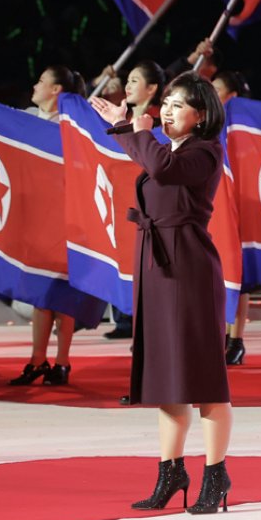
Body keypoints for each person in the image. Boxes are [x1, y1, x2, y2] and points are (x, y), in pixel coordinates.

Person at [89, 73, 233, 514]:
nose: (166, 111)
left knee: (204, 379)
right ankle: (171, 472)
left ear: (200, 115)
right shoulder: (169, 149)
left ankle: (216, 475)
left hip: (189, 267)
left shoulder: (205, 152)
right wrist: (123, 126)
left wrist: (138, 130)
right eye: (165, 103)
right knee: (168, 377)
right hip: (158, 265)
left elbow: (161, 169)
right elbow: (152, 159)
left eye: (177, 105)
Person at [9, 66, 92, 386]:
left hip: (65, 221)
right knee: (39, 293)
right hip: (33, 220)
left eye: (42, 81)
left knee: (60, 296)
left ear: (56, 89)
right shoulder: (26, 118)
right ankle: (37, 360)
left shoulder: (74, 127)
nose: (35, 85)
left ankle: (62, 362)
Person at [104, 61, 167, 342]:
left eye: (134, 81)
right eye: (127, 80)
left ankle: (145, 326)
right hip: (121, 198)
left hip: (148, 204)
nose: (127, 86)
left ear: (151, 88)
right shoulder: (124, 117)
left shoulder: (160, 122)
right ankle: (124, 317)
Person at [211, 70, 252, 366]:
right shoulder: (209, 125)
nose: (210, 94)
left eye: (216, 89)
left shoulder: (244, 128)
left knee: (239, 274)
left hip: (240, 207)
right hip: (213, 207)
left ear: (232, 97)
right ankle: (222, 337)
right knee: (219, 273)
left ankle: (236, 340)